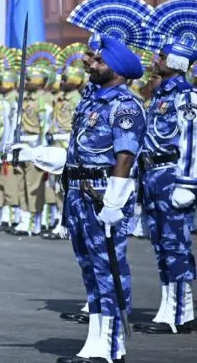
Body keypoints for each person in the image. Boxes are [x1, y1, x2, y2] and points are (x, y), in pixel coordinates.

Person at [56, 33, 146, 363]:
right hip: (80, 194)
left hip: (102, 194)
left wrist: (114, 202)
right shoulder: (93, 102)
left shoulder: (125, 106)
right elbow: (81, 151)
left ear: (118, 69)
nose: (91, 64)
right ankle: (95, 343)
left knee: (108, 268)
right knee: (91, 270)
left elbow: (125, 157)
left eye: (99, 61)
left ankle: (111, 347)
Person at [136, 1, 197, 335]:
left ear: (175, 61)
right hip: (153, 176)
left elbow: (191, 142)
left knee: (175, 245)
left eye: (160, 56)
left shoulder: (185, 97)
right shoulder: (159, 96)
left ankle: (180, 313)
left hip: (172, 176)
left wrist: (188, 184)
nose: (154, 60)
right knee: (161, 244)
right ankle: (169, 309)